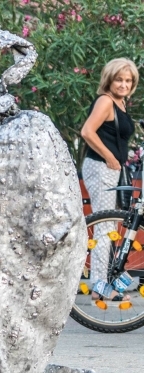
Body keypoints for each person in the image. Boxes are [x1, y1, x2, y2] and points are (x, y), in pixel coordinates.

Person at [81, 58, 139, 301]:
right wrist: (109, 157)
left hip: (110, 168)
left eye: (128, 80)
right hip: (100, 166)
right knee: (105, 226)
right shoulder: (106, 101)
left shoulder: (120, 102)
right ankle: (99, 286)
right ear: (109, 79)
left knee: (110, 225)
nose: (124, 84)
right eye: (119, 79)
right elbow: (87, 131)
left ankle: (104, 281)